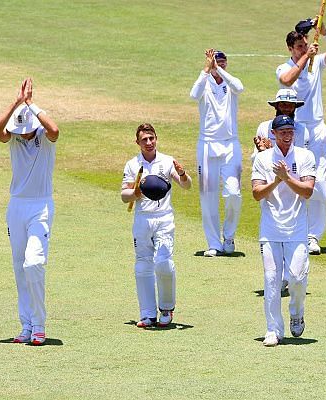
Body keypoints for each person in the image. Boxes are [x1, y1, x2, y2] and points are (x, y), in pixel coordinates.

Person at [0, 78, 60, 345]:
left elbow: (54, 129)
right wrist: (17, 102)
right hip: (16, 206)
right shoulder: (14, 139)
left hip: (40, 206)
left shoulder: (45, 138)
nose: (19, 135)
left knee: (34, 263)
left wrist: (31, 103)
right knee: (20, 267)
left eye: (24, 130)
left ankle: (40, 323)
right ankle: (27, 326)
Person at [276, 18, 326, 255]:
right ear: (290, 49)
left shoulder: (316, 63)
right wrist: (307, 58)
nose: (304, 50)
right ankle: (295, 230)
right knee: (295, 180)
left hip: (317, 128)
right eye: (299, 48)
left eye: (305, 46)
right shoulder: (284, 67)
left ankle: (313, 236)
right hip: (294, 129)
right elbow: (287, 80)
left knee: (320, 186)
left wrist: (325, 32)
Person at [251, 115, 316, 347]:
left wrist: (286, 177)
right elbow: (257, 193)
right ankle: (273, 329)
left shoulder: (305, 156)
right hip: (270, 228)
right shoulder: (262, 159)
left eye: (291, 131)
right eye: (283, 132)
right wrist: (277, 181)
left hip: (297, 228)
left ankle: (296, 312)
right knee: (271, 279)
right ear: (274, 134)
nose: (287, 136)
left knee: (297, 278)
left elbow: (307, 191)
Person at [121, 123, 192, 328]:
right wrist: (135, 194)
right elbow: (124, 196)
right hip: (142, 218)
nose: (149, 142)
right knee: (143, 265)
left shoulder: (167, 161)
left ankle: (167, 308)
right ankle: (147, 314)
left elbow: (187, 186)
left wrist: (183, 173)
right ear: (138, 142)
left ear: (156, 138)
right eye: (145, 139)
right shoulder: (132, 165)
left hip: (164, 218)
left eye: (152, 138)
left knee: (164, 263)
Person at [190, 49, 244, 257]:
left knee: (233, 192)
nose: (219, 65)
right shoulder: (204, 83)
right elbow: (193, 94)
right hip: (207, 145)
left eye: (223, 62)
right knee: (208, 196)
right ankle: (213, 243)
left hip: (230, 145)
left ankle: (228, 236)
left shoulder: (231, 84)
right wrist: (206, 69)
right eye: (216, 62)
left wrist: (220, 70)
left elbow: (239, 87)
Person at [252, 88, 311, 158]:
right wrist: (262, 152)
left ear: (295, 107)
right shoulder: (264, 127)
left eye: (291, 105)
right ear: (276, 106)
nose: (287, 108)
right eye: (283, 104)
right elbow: (255, 161)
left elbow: (301, 160)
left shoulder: (302, 130)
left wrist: (269, 152)